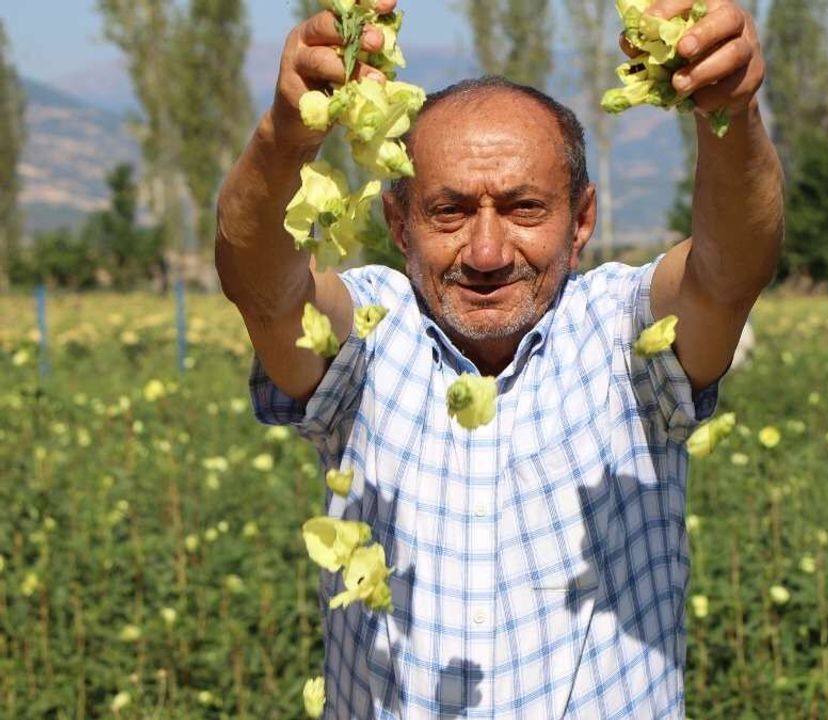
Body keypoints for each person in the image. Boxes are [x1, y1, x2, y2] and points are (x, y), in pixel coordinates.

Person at [214, 0, 781, 716]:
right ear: (398, 225)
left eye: (524, 209)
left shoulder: (623, 334)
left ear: (582, 223)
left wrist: (728, 115)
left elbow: (730, 271)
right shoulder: (368, 329)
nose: (486, 253)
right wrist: (284, 138)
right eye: (448, 211)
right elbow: (260, 288)